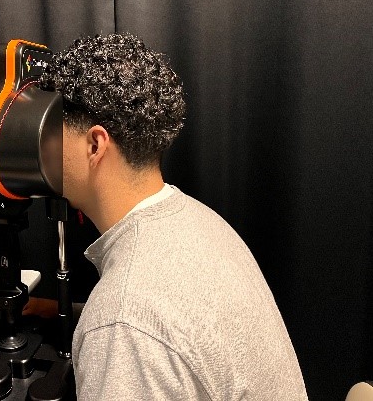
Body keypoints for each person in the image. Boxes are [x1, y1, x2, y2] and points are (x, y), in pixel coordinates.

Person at [29, 32, 308, 400]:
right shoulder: (197, 221)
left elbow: (134, 324)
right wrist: (57, 310)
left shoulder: (123, 322)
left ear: (95, 145)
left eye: (52, 131)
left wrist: (103, 324)